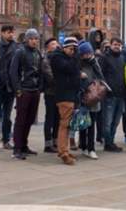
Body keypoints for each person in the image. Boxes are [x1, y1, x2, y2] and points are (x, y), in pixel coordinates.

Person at [9, 29, 44, 160]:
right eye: (32, 38)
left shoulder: (37, 53)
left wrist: (40, 87)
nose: (35, 41)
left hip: (34, 90)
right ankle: (17, 148)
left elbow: (40, 71)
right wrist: (18, 89)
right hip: (24, 90)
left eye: (36, 39)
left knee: (30, 119)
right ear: (27, 39)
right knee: (21, 120)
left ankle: (24, 145)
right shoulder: (20, 52)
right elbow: (13, 72)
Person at [52, 37, 81, 165]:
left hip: (71, 95)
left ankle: (65, 149)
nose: (73, 51)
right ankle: (63, 152)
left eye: (75, 49)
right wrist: (75, 59)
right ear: (64, 47)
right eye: (71, 49)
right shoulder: (58, 58)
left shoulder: (69, 58)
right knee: (64, 124)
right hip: (64, 95)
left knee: (68, 124)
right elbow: (69, 69)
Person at [99, 37, 126, 152]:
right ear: (110, 45)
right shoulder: (104, 58)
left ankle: (111, 141)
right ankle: (108, 143)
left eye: (119, 45)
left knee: (115, 121)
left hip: (120, 95)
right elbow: (100, 75)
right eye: (115, 44)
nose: (117, 46)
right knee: (108, 121)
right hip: (109, 95)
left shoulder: (122, 58)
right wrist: (106, 89)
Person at [0, 25, 18, 150]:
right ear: (2, 33)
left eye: (12, 32)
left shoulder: (16, 47)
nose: (11, 35)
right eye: (9, 32)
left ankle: (6, 139)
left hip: (10, 87)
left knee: (7, 115)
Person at [79, 42, 103, 160]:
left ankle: (91, 148)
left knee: (92, 124)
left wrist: (95, 64)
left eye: (89, 53)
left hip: (94, 96)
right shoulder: (78, 64)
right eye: (85, 54)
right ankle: (83, 146)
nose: (87, 56)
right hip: (83, 97)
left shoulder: (95, 62)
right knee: (83, 124)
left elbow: (101, 77)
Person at [43, 38, 61, 153]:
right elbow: (49, 76)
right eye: (53, 44)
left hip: (59, 93)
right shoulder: (46, 60)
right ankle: (48, 143)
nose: (56, 45)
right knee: (50, 117)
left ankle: (55, 140)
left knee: (57, 118)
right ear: (48, 47)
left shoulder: (59, 57)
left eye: (56, 43)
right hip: (50, 92)